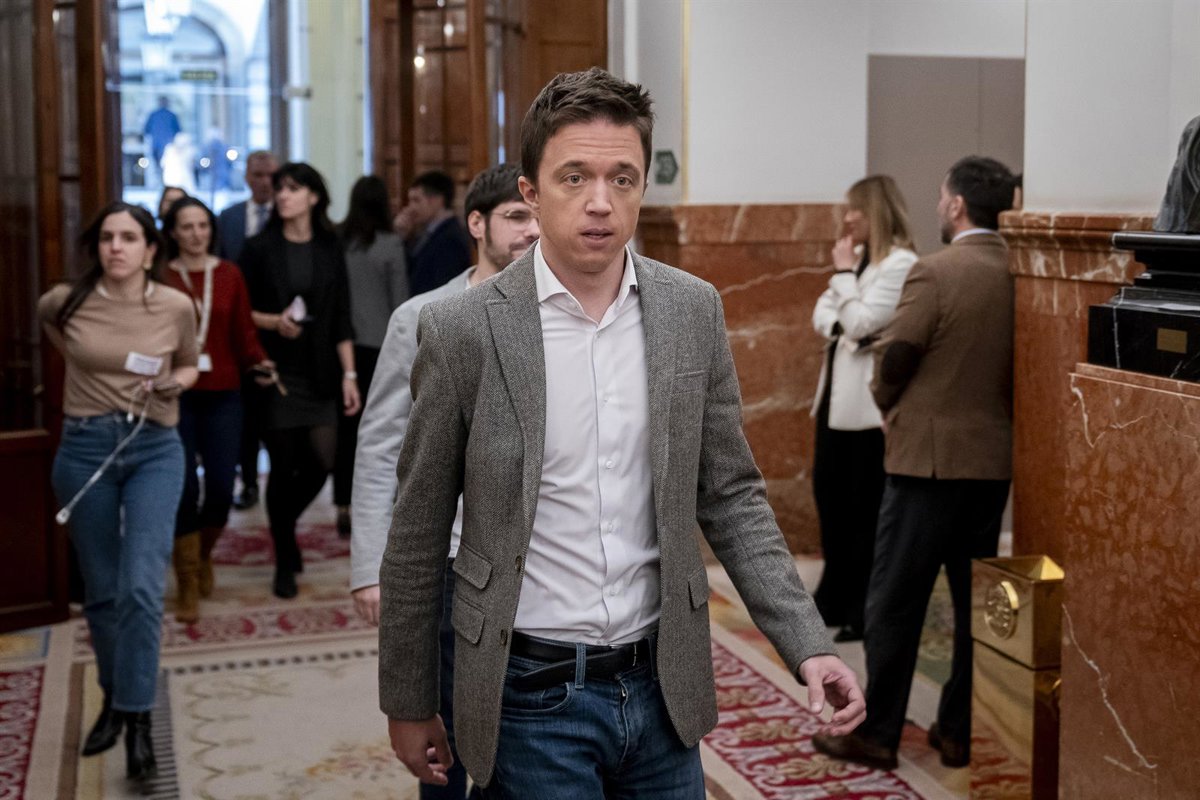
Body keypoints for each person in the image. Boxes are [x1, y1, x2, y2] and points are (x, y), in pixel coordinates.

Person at [378, 68, 865, 798]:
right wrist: (409, 699)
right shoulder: (462, 330)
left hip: (664, 688)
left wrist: (807, 643)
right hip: (528, 693)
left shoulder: (690, 310)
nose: (601, 201)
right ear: (531, 192)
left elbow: (731, 494)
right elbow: (418, 529)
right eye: (574, 177)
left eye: (622, 178)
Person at [813, 156, 1017, 771]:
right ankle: (956, 730)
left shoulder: (936, 269)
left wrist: (885, 401)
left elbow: (897, 354)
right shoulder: (1022, 270)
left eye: (942, 197)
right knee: (974, 609)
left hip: (925, 463)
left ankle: (878, 735)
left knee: (893, 604)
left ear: (956, 205)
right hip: (991, 464)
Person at [352, 162, 537, 800]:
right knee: (447, 739)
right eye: (517, 216)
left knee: (522, 735)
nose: (531, 231)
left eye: (539, 217)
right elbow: (381, 446)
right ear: (477, 224)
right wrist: (370, 566)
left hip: (535, 567)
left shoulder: (561, 313)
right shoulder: (423, 316)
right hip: (449, 560)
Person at [38, 202, 198, 788]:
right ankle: (113, 697)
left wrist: (173, 381)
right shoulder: (64, 301)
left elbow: (190, 364)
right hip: (84, 449)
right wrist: (90, 377)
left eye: (129, 237)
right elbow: (56, 334)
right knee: (102, 592)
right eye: (107, 237)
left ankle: (137, 719)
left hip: (154, 447)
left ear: (150, 250)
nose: (116, 247)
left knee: (141, 587)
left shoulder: (175, 305)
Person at [240, 161, 361, 599]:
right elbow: (240, 313)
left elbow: (342, 315)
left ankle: (283, 525)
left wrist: (350, 374)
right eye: (280, 189)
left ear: (313, 196)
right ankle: (284, 557)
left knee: (322, 462)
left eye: (292, 188)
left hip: (320, 370)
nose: (283, 196)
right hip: (275, 370)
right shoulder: (258, 247)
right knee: (283, 462)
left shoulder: (331, 247)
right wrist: (274, 322)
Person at [810, 176, 917, 643]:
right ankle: (834, 596)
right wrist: (844, 305)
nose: (848, 217)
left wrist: (842, 284)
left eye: (855, 208)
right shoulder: (858, 263)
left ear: (875, 211)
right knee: (830, 500)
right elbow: (823, 315)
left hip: (865, 411)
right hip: (833, 401)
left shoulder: (900, 264)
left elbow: (862, 323)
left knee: (861, 512)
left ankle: (861, 607)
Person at [161, 197, 271, 622]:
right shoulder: (161, 276)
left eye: (202, 226)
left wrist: (260, 361)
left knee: (223, 489)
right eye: (186, 227)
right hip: (176, 395)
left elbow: (243, 331)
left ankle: (203, 553)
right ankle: (187, 579)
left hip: (224, 393)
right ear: (173, 232)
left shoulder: (229, 274)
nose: (195, 234)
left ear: (212, 230)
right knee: (184, 488)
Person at [332, 175, 410, 538]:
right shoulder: (390, 243)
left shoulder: (340, 240)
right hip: (381, 345)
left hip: (344, 345)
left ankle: (342, 505)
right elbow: (400, 300)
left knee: (346, 429)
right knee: (382, 427)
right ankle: (380, 504)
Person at [218, 150, 280, 511]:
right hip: (235, 329)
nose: (265, 182)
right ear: (246, 178)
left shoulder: (285, 217)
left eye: (271, 175)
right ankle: (249, 481)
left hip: (278, 328)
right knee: (245, 413)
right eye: (258, 175)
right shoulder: (228, 218)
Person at [395, 170, 473, 296]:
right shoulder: (427, 233)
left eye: (416, 200)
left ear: (437, 200)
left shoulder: (450, 239)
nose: (410, 207)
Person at [143, 96, 181, 179]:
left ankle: (161, 179)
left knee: (160, 167)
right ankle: (163, 179)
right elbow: (178, 131)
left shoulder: (154, 115)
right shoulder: (171, 115)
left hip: (160, 146)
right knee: (166, 167)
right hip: (166, 146)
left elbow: (146, 130)